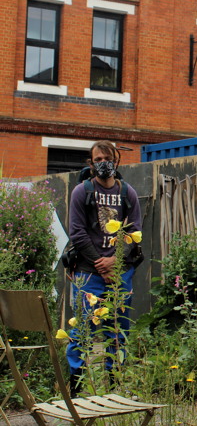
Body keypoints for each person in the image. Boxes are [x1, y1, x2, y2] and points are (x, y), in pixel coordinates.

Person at [66, 140, 142, 394]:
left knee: (119, 329)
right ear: (91, 163)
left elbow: (134, 232)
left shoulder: (127, 192)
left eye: (107, 158)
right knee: (82, 328)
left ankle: (115, 383)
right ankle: (76, 386)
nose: (103, 163)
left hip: (121, 272)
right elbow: (77, 233)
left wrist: (114, 262)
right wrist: (102, 265)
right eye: (98, 160)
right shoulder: (82, 192)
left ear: (116, 160)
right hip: (88, 273)